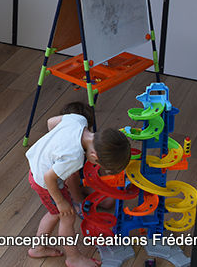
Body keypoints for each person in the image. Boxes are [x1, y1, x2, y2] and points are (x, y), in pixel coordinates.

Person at [25, 103, 131, 266]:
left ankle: (38, 247)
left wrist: (56, 145)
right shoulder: (73, 157)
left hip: (37, 163)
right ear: (95, 156)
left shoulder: (78, 120)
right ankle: (73, 258)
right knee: (65, 216)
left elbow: (51, 122)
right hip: (44, 181)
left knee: (56, 213)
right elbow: (48, 178)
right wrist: (61, 203)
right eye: (101, 166)